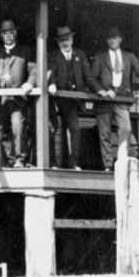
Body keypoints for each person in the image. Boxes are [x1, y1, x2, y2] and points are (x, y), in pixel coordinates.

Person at [90, 26, 139, 171]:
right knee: (104, 133)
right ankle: (108, 165)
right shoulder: (100, 57)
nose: (112, 41)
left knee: (126, 128)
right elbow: (92, 78)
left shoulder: (129, 57)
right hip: (104, 100)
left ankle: (122, 159)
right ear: (106, 40)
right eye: (110, 38)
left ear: (120, 40)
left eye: (115, 38)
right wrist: (102, 91)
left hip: (122, 98)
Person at [0, 19, 37, 168]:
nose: (8, 36)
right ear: (1, 35)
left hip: (17, 98)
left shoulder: (25, 51)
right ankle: (12, 160)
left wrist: (29, 83)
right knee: (1, 131)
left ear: (15, 33)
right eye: (5, 33)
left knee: (18, 128)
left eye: (11, 32)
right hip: (0, 100)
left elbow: (33, 70)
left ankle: (20, 160)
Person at [47, 26, 94, 170]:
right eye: (62, 40)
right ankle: (53, 163)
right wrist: (52, 84)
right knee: (52, 128)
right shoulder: (53, 56)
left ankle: (74, 163)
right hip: (56, 98)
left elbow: (88, 77)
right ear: (58, 42)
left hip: (72, 100)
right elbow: (50, 73)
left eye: (67, 39)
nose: (65, 43)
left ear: (72, 40)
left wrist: (100, 91)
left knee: (74, 129)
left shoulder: (80, 55)